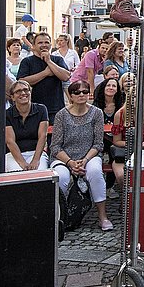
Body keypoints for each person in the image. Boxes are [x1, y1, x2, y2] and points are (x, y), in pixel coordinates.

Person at [51, 80, 113, 230]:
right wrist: (71, 162)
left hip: (89, 156)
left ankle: (102, 216)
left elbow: (98, 144)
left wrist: (84, 160)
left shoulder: (96, 113)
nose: (81, 95)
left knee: (95, 172)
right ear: (71, 95)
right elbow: (55, 146)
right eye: (77, 92)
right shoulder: (61, 115)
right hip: (64, 157)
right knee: (62, 177)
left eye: (85, 92)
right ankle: (58, 217)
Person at [3, 83, 49, 172]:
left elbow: (43, 137)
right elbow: (10, 141)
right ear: (12, 97)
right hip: (13, 154)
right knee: (17, 174)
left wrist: (36, 160)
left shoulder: (41, 109)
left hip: (36, 153)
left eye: (26, 90)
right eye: (18, 91)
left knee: (39, 173)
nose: (23, 93)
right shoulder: (7, 114)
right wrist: (22, 163)